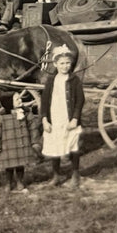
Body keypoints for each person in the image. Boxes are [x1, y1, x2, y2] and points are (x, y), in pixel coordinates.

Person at [40, 45, 85, 189]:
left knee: (73, 145)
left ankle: (75, 174)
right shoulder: (51, 80)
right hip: (55, 117)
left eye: (67, 63)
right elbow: (45, 101)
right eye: (62, 63)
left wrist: (75, 119)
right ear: (55, 64)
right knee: (55, 146)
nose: (65, 66)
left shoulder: (74, 80)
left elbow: (80, 100)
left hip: (69, 117)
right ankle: (56, 174)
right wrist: (45, 119)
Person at [0, 90, 39, 194]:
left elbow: (33, 128)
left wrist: (34, 141)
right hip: (7, 144)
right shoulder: (1, 117)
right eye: (17, 99)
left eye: (20, 98)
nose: (20, 100)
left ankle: (19, 181)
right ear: (9, 102)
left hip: (21, 142)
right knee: (8, 166)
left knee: (20, 164)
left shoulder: (26, 113)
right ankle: (8, 182)